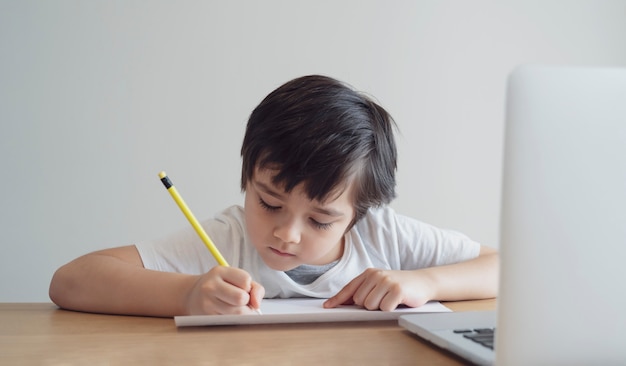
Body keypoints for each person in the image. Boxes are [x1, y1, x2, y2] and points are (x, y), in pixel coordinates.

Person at [49, 75, 498, 317]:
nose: (286, 232)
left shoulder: (385, 237)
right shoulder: (229, 241)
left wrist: (427, 282)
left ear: (358, 215)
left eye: (320, 221)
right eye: (268, 203)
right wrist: (187, 296)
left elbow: (510, 269)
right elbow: (71, 280)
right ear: (246, 177)